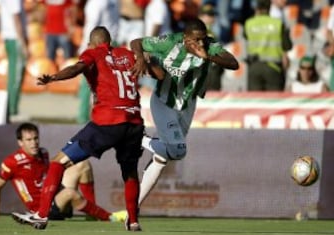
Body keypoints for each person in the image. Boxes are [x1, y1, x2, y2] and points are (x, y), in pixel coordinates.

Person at [11, 26, 145, 231]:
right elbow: (154, 71)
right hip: (134, 122)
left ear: (92, 43)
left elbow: (77, 68)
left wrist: (55, 77)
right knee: (130, 173)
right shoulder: (126, 55)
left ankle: (41, 215)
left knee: (58, 162)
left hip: (107, 121)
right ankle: (134, 221)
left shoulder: (94, 53)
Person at [129, 18, 239, 206]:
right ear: (186, 39)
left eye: (203, 39)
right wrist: (140, 57)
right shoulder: (170, 42)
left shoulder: (210, 46)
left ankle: (132, 207)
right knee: (178, 150)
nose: (201, 43)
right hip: (164, 102)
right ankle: (139, 138)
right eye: (197, 40)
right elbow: (136, 42)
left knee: (162, 157)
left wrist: (208, 57)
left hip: (188, 105)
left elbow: (233, 63)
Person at [0, 122, 126, 222]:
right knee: (69, 193)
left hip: (54, 196)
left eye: (36, 138)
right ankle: (109, 217)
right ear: (20, 142)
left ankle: (91, 216)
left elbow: (50, 176)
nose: (34, 143)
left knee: (83, 165)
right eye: (29, 140)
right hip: (42, 208)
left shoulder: (43, 153)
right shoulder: (12, 162)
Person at [77, 0, 119, 124]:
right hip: (112, 43)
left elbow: (91, 25)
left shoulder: (95, 3)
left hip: (97, 44)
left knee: (88, 81)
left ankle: (83, 115)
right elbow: (116, 23)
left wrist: (85, 47)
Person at [244, 0, 292, 91]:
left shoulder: (249, 23)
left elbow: (245, 36)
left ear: (256, 9)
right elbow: (288, 45)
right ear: (269, 8)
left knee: (254, 101)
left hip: (254, 67)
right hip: (273, 67)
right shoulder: (278, 23)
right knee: (273, 101)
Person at [0, 0, 29, 122]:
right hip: (15, 37)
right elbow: (15, 17)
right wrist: (22, 42)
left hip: (10, 36)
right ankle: (12, 109)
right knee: (16, 75)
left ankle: (11, 108)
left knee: (13, 74)